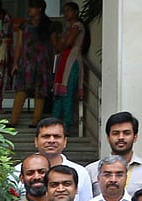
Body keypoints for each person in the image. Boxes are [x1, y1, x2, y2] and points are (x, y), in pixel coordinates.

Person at [85, 112, 142, 196]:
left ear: (135, 137)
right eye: (115, 133)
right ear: (108, 138)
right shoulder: (91, 170)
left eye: (126, 133)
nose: (121, 137)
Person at [17, 118, 93, 201]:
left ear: (65, 141)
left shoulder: (80, 172)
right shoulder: (17, 171)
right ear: (36, 141)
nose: (51, 140)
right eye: (46, 136)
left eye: (57, 136)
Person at [8, 0, 52, 128]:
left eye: (32, 7)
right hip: (26, 62)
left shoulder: (48, 25)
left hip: (42, 62)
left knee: (40, 92)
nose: (29, 10)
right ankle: (13, 120)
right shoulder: (24, 25)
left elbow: (53, 45)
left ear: (39, 9)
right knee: (21, 90)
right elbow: (19, 45)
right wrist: (15, 63)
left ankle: (36, 121)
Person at [52, 2, 86, 131]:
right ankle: (54, 125)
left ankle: (65, 126)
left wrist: (61, 41)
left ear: (76, 12)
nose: (65, 13)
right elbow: (59, 47)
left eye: (68, 11)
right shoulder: (68, 28)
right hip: (64, 60)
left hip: (72, 61)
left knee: (67, 93)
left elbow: (67, 43)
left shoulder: (77, 26)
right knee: (59, 94)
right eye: (64, 11)